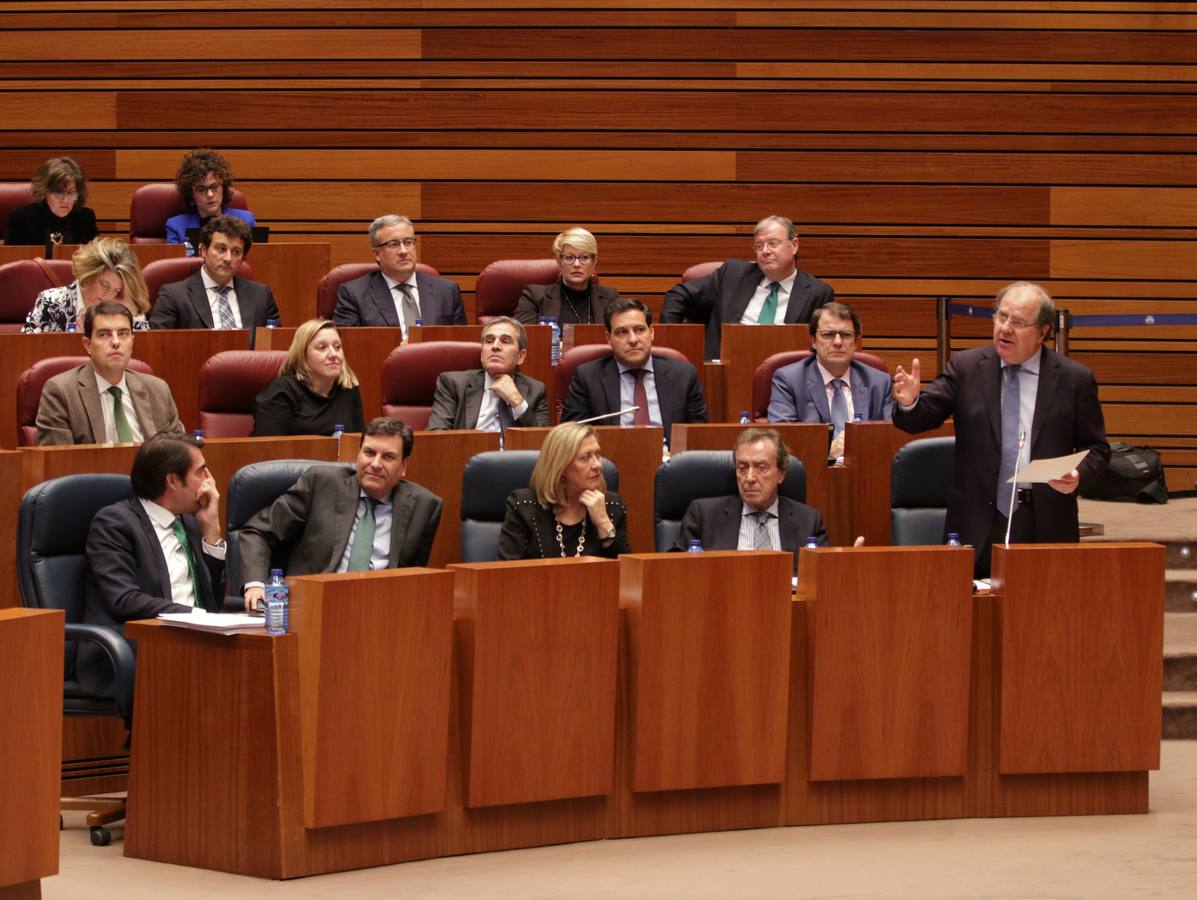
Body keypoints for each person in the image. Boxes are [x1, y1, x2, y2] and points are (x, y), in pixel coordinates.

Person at [892, 281, 1110, 578]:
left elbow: (1097, 449)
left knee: (1045, 614)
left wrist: (1078, 475)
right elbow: (921, 418)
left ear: (1043, 332)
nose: (1005, 328)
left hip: (1043, 519)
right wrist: (910, 402)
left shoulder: (1075, 380)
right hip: (976, 520)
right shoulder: (967, 367)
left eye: (1018, 322)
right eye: (1001, 316)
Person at [239, 418, 443, 609]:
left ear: (404, 466)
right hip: (313, 607)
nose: (375, 464)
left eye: (388, 457)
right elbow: (258, 531)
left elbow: (414, 580)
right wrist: (256, 584)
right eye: (369, 453)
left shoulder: (424, 507)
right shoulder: (321, 483)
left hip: (380, 611)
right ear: (359, 454)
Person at [77, 432, 225, 694]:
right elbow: (124, 600)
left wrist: (212, 531)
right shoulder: (114, 523)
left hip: (191, 641)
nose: (209, 481)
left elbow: (215, 600)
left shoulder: (190, 522)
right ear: (172, 481)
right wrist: (194, 617)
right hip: (130, 646)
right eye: (201, 472)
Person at [661, 215, 834, 359]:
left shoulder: (817, 293)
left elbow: (824, 343)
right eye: (759, 246)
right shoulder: (732, 275)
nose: (765, 251)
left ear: (794, 245)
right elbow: (677, 296)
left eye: (773, 243)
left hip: (784, 381)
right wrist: (673, 354)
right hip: (723, 373)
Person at [673, 427, 828, 574]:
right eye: (742, 468)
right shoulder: (703, 516)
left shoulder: (809, 521)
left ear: (781, 474)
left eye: (761, 468)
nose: (749, 478)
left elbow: (826, 577)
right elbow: (672, 570)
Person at [560, 298, 707, 446]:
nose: (632, 339)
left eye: (639, 330)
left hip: (671, 463)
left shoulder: (683, 375)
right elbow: (571, 439)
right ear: (609, 339)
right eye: (621, 332)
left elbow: (699, 437)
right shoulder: (587, 377)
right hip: (609, 463)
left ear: (652, 332)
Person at [36, 301, 184, 445]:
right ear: (88, 345)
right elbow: (59, 463)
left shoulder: (157, 390)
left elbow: (178, 454)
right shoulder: (61, 392)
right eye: (104, 334)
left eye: (123, 333)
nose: (115, 342)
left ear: (132, 341)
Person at [767, 301, 894, 458]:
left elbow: (892, 439)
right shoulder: (789, 380)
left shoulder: (879, 382)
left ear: (856, 342)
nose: (838, 342)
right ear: (813, 340)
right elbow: (782, 442)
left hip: (866, 472)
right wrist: (827, 451)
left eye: (846, 335)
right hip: (811, 475)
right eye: (828, 335)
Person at [498, 422, 629, 560]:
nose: (597, 465)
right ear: (560, 466)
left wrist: (603, 523)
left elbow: (626, 574)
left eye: (598, 455)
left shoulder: (612, 506)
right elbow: (506, 572)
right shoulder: (524, 506)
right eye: (585, 458)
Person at [332, 214, 466, 334]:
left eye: (408, 242)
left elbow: (460, 345)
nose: (403, 251)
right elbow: (348, 347)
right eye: (393, 244)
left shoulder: (447, 292)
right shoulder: (354, 295)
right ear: (377, 254)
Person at [150, 215, 280, 331]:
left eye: (236, 252)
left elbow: (273, 346)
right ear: (203, 250)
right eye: (221, 249)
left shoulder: (261, 296)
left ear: (243, 258)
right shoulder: (174, 296)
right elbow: (160, 347)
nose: (228, 258)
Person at [427, 316, 549, 431]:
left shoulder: (536, 390)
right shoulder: (453, 384)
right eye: (489, 341)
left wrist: (517, 401)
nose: (495, 346)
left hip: (514, 453)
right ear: (482, 354)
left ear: (520, 356)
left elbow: (542, 440)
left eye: (505, 341)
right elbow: (436, 435)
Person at [251, 318, 364, 436]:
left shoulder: (348, 389)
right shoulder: (280, 392)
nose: (333, 354)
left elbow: (359, 443)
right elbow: (268, 450)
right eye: (322, 348)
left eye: (337, 347)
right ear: (302, 355)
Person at [23, 236, 152, 333]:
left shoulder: (129, 304)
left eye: (117, 290)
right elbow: (27, 350)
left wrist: (130, 313)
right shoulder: (51, 303)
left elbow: (141, 355)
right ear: (88, 276)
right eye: (104, 285)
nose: (108, 296)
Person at [513, 226, 620, 326]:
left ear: (594, 261)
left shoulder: (610, 297)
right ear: (559, 261)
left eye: (584, 257)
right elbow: (523, 339)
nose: (577, 264)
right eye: (569, 258)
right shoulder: (534, 296)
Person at [164, 148, 256, 246]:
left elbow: (253, 259)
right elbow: (175, 261)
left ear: (223, 187)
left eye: (214, 186)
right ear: (191, 193)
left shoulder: (246, 221)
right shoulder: (176, 226)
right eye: (201, 189)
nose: (210, 194)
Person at [5, 156, 99, 247]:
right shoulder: (21, 219)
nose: (65, 200)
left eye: (71, 193)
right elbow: (13, 260)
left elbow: (95, 260)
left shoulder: (85, 217)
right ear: (44, 192)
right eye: (58, 193)